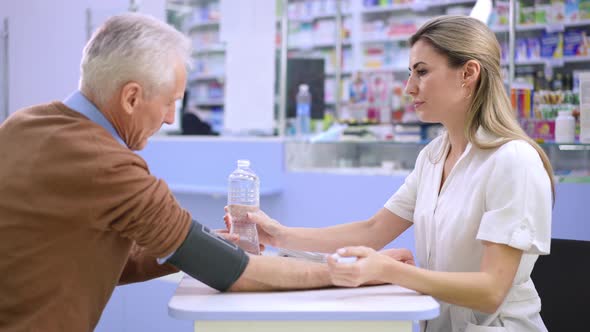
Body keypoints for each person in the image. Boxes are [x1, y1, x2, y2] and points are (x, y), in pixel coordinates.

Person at [0, 13, 336, 332]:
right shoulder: (108, 165)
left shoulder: (23, 124)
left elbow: (88, 254)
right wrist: (347, 273)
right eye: (169, 102)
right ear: (131, 97)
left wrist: (197, 248)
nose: (171, 119)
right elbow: (237, 272)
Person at [228, 16, 554, 332]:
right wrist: (279, 234)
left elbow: (491, 291)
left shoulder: (513, 161)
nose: (409, 88)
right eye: (410, 73)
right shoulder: (433, 157)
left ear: (468, 73)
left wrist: (387, 269)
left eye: (422, 72)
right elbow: (373, 229)